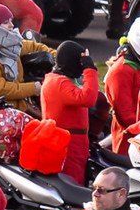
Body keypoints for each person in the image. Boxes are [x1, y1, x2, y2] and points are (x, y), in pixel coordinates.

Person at [0, 2, 52, 114]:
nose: (11, 25)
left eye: (11, 20)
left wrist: (60, 56)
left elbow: (36, 47)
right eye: (5, 22)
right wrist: (33, 88)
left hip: (17, 106)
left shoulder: (10, 43)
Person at [41, 41, 100, 183]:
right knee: (73, 184)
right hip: (68, 145)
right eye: (81, 62)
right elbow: (88, 98)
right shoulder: (59, 82)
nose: (82, 67)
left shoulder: (59, 79)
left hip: (73, 142)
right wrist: (90, 70)